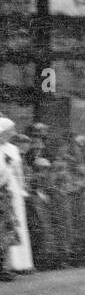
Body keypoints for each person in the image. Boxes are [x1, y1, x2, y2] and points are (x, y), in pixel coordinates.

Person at [0, 116, 34, 275]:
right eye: (7, 131)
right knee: (6, 226)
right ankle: (8, 264)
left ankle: (22, 263)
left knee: (18, 223)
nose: (10, 134)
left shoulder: (13, 148)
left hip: (13, 187)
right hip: (3, 186)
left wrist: (21, 188)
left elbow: (19, 171)